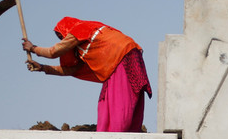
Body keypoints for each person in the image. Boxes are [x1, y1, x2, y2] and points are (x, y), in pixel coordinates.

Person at [23, 17, 152, 132]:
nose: (63, 40)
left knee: (118, 104)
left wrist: (33, 48)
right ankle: (120, 133)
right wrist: (43, 68)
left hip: (120, 61)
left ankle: (115, 135)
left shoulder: (80, 29)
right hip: (126, 61)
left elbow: (54, 52)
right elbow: (71, 69)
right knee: (116, 102)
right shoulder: (86, 45)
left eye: (61, 36)